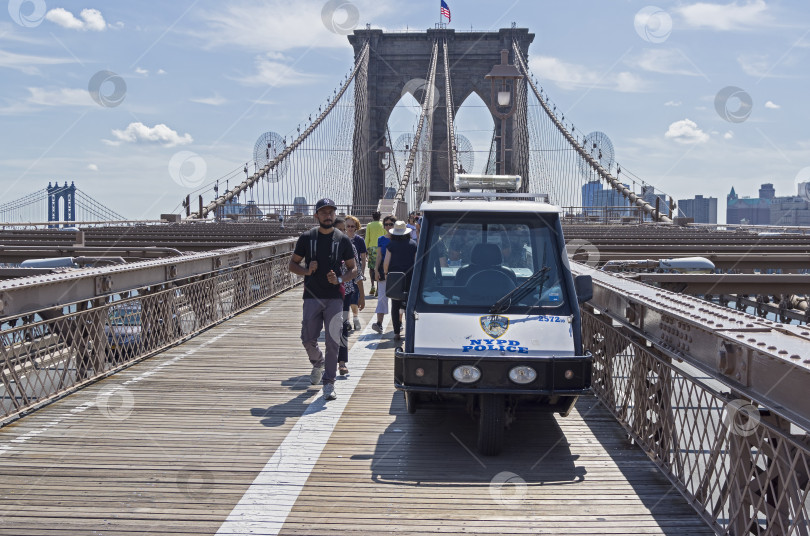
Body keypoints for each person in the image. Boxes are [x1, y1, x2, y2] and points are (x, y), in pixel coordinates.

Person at [287, 198, 357, 401]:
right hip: (312, 295)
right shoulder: (307, 238)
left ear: (335, 215)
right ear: (316, 215)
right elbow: (292, 265)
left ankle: (329, 383)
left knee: (333, 341)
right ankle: (318, 362)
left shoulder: (342, 239)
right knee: (307, 338)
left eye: (331, 212)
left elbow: (353, 269)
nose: (328, 215)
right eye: (323, 212)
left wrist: (341, 279)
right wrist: (307, 270)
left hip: (335, 296)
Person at [333, 217, 365, 376]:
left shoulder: (350, 247)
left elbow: (357, 272)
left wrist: (362, 295)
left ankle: (342, 362)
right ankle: (324, 360)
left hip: (344, 291)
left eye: (344, 229)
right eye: (339, 229)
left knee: (342, 326)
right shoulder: (321, 246)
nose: (342, 232)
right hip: (324, 293)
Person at [383, 220, 417, 340]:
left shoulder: (391, 245)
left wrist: (386, 275)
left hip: (395, 278)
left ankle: (396, 332)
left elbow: (386, 263)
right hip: (410, 277)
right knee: (409, 305)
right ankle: (410, 331)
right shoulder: (413, 244)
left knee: (395, 305)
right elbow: (416, 262)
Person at [371, 215, 396, 333]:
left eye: (391, 224)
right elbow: (379, 256)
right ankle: (379, 323)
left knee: (398, 298)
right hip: (383, 271)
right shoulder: (381, 239)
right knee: (381, 297)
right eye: (386, 224)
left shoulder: (400, 238)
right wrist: (376, 270)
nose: (388, 226)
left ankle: (399, 323)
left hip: (396, 270)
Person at [344, 215, 367, 331]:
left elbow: (363, 258)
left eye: (352, 226)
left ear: (356, 227)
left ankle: (355, 318)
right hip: (344, 274)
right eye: (348, 226)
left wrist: (361, 272)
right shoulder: (341, 239)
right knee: (345, 298)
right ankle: (346, 321)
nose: (350, 228)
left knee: (354, 299)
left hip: (355, 273)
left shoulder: (359, 240)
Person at [364, 211, 384, 297]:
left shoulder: (369, 225)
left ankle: (372, 286)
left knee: (371, 268)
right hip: (380, 248)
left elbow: (367, 237)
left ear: (372, 217)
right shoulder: (382, 225)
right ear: (379, 217)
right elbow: (385, 235)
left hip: (371, 248)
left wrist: (365, 249)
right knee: (379, 267)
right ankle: (378, 289)